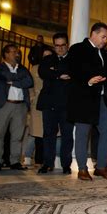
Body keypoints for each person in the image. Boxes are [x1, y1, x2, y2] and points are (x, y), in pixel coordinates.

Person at [67, 22, 107, 181]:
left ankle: (101, 167)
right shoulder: (77, 49)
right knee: (82, 134)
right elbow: (72, 71)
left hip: (101, 99)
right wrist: (88, 80)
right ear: (93, 34)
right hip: (84, 99)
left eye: (106, 37)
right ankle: (82, 169)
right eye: (103, 36)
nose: (105, 40)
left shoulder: (105, 53)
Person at [0, 44, 33, 171]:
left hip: (20, 106)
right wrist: (19, 80)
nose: (17, 54)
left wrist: (13, 82)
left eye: (17, 52)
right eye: (14, 52)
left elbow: (29, 82)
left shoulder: (23, 69)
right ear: (6, 54)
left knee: (17, 136)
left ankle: (15, 162)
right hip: (3, 105)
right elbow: (3, 77)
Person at [37, 32, 74, 174]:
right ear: (53, 46)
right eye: (57, 46)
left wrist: (54, 72)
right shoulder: (48, 59)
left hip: (67, 105)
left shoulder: (73, 60)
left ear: (67, 45)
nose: (60, 49)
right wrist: (59, 74)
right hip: (49, 103)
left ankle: (66, 164)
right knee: (48, 135)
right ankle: (47, 163)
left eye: (63, 45)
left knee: (67, 136)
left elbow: (74, 74)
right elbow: (43, 72)